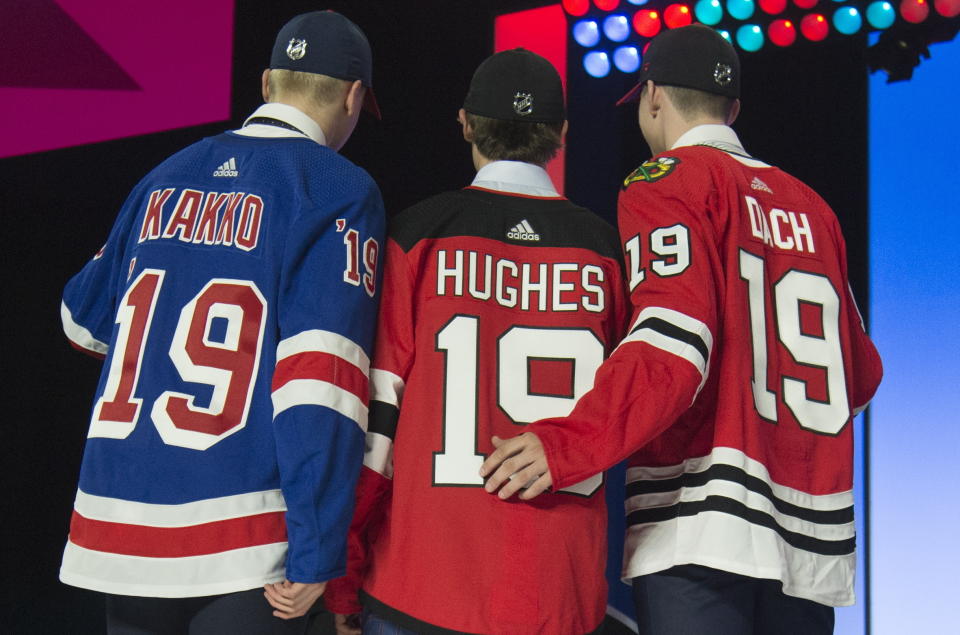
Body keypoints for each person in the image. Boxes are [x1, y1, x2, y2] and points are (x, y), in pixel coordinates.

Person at [480, 25, 883, 635]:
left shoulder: (667, 181)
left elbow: (675, 343)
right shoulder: (813, 208)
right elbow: (861, 375)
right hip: (809, 542)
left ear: (654, 97)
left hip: (702, 525)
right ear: (735, 109)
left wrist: (569, 444)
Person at [57, 11, 384, 634]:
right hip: (244, 532)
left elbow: (81, 319)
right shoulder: (338, 187)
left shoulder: (164, 174)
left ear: (266, 83)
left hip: (119, 522)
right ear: (353, 96)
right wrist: (320, 552)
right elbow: (321, 381)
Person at [322, 49, 629, 634]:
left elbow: (375, 425)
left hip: (420, 586)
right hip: (557, 592)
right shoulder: (605, 249)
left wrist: (343, 579)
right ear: (561, 133)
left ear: (464, 122)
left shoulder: (417, 233)